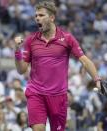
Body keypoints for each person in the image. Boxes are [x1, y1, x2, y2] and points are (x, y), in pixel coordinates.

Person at [14, 1, 101, 131]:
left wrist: (97, 79)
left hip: (58, 96)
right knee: (38, 129)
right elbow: (21, 70)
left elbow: (84, 61)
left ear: (52, 18)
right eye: (36, 15)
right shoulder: (31, 41)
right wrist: (17, 51)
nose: (37, 18)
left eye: (41, 15)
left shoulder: (67, 38)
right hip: (36, 93)